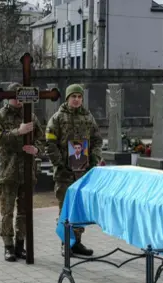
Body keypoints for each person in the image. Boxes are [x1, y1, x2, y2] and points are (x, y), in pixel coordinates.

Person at [45, 84, 102, 257]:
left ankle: (77, 242)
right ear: (67, 98)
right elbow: (50, 143)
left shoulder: (88, 117)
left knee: (79, 209)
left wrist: (93, 160)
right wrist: (60, 163)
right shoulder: (58, 118)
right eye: (73, 96)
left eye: (79, 96)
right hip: (65, 173)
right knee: (66, 209)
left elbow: (97, 140)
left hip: (83, 172)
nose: (76, 99)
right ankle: (65, 243)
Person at [0, 83, 45, 262]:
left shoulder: (31, 116)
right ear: (8, 97)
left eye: (21, 97)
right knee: (7, 212)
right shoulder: (1, 116)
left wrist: (36, 150)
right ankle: (8, 246)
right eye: (15, 96)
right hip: (8, 171)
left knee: (24, 211)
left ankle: (21, 245)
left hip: (27, 171)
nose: (18, 100)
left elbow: (41, 139)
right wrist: (17, 132)